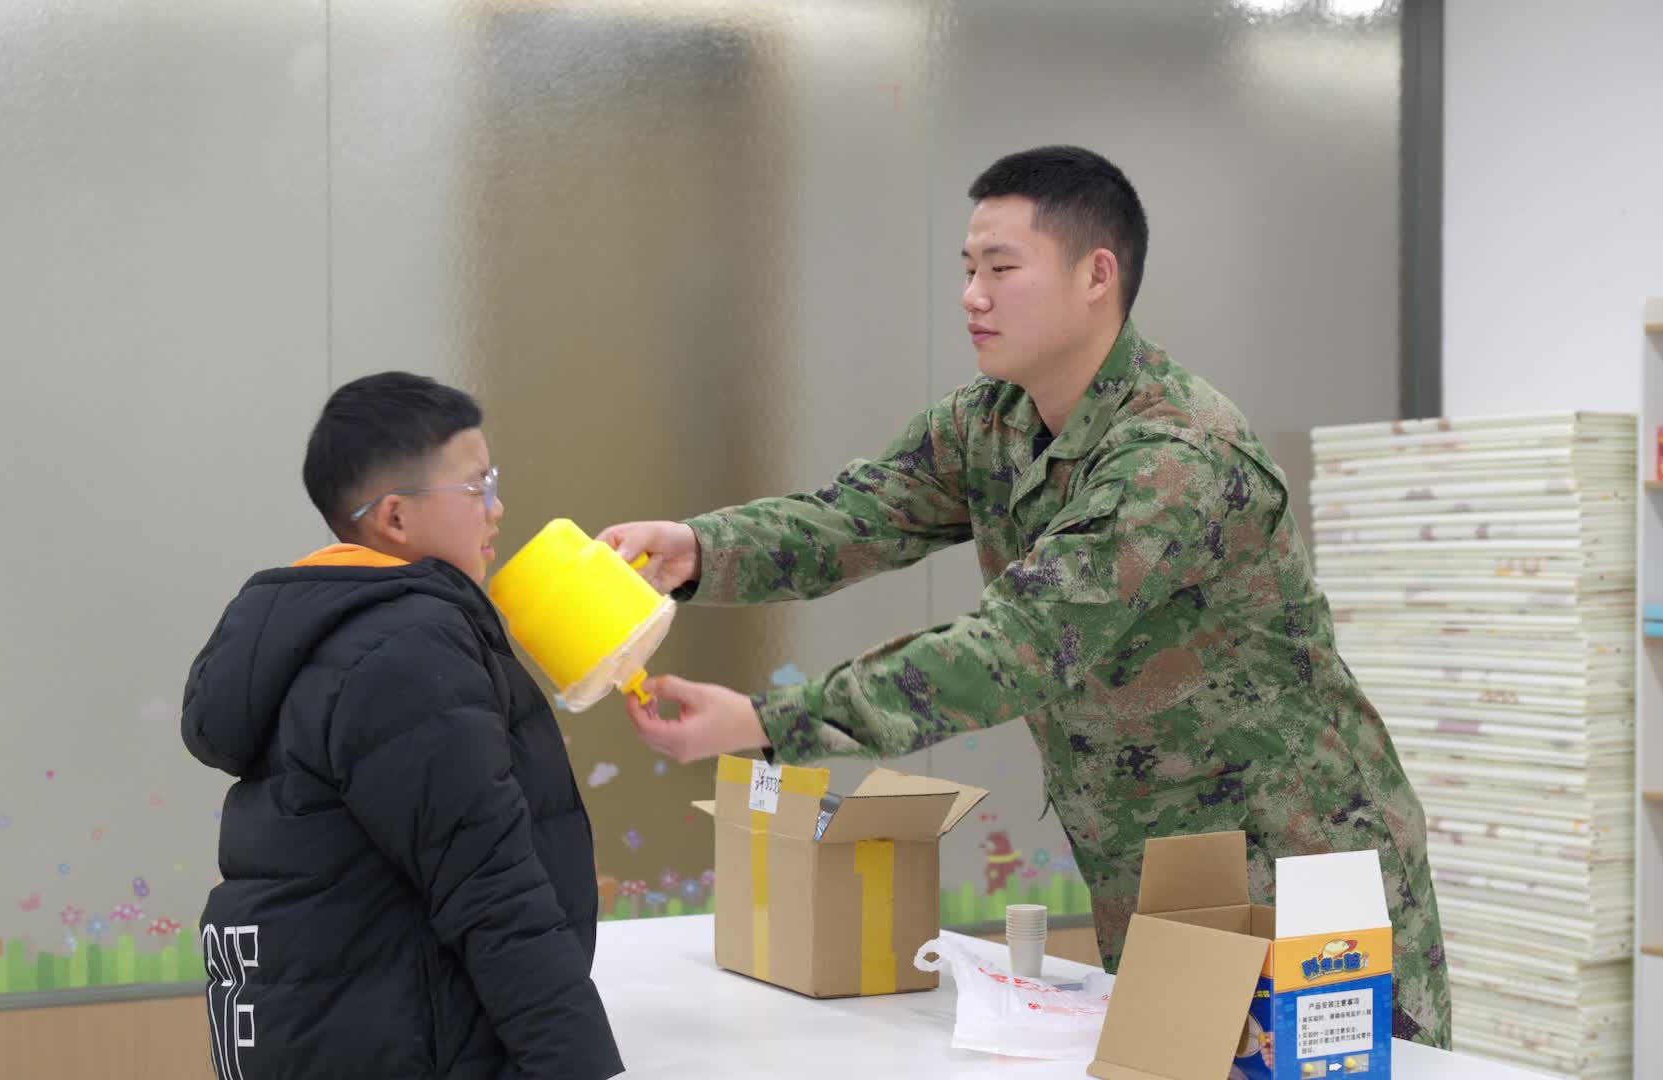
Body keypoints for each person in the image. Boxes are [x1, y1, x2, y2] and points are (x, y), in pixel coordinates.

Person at [602, 145, 1451, 1048]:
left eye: (1002, 269)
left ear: (1097, 275)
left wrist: (771, 722)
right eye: (968, 269)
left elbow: (1016, 648)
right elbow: (857, 518)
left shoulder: (1175, 458)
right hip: (1154, 864)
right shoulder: (992, 420)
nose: (973, 295)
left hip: (1294, 868)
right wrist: (699, 549)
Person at [181, 373, 623, 1080]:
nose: (497, 509)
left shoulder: (339, 634)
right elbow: (493, 893)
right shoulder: (406, 651)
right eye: (477, 486)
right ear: (394, 517)